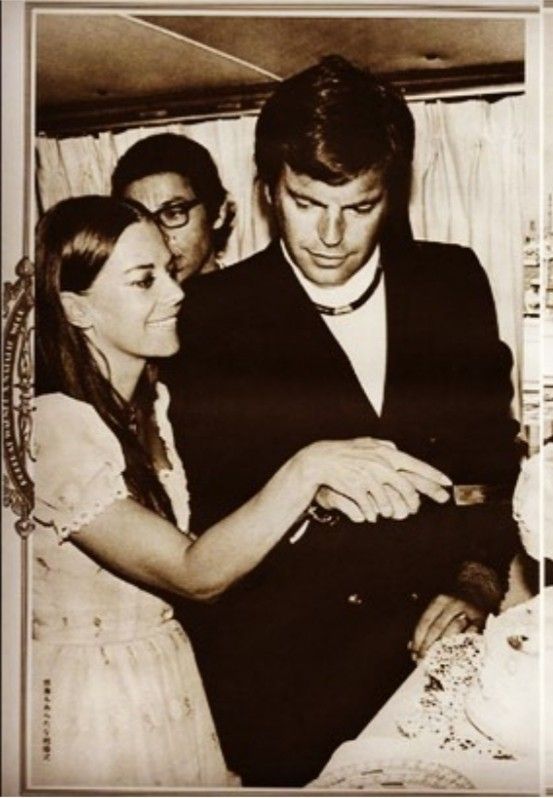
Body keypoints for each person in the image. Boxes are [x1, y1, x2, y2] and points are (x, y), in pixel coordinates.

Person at [160, 56, 523, 786]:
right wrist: (309, 495)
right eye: (305, 203)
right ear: (267, 192)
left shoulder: (449, 283)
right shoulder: (209, 317)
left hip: (433, 663)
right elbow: (214, 513)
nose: (330, 234)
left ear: (391, 192)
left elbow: (490, 463)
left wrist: (479, 581)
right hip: (287, 678)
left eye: (358, 207)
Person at [31, 195, 452, 788]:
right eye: (143, 280)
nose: (176, 293)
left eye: (170, 273)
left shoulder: (155, 407)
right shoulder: (51, 429)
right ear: (77, 309)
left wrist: (315, 498)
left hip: (164, 681)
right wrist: (308, 467)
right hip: (91, 704)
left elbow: (204, 541)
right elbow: (193, 573)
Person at [111, 132, 233, 282]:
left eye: (173, 213)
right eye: (141, 219)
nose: (160, 236)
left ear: (219, 213)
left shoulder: (255, 298)